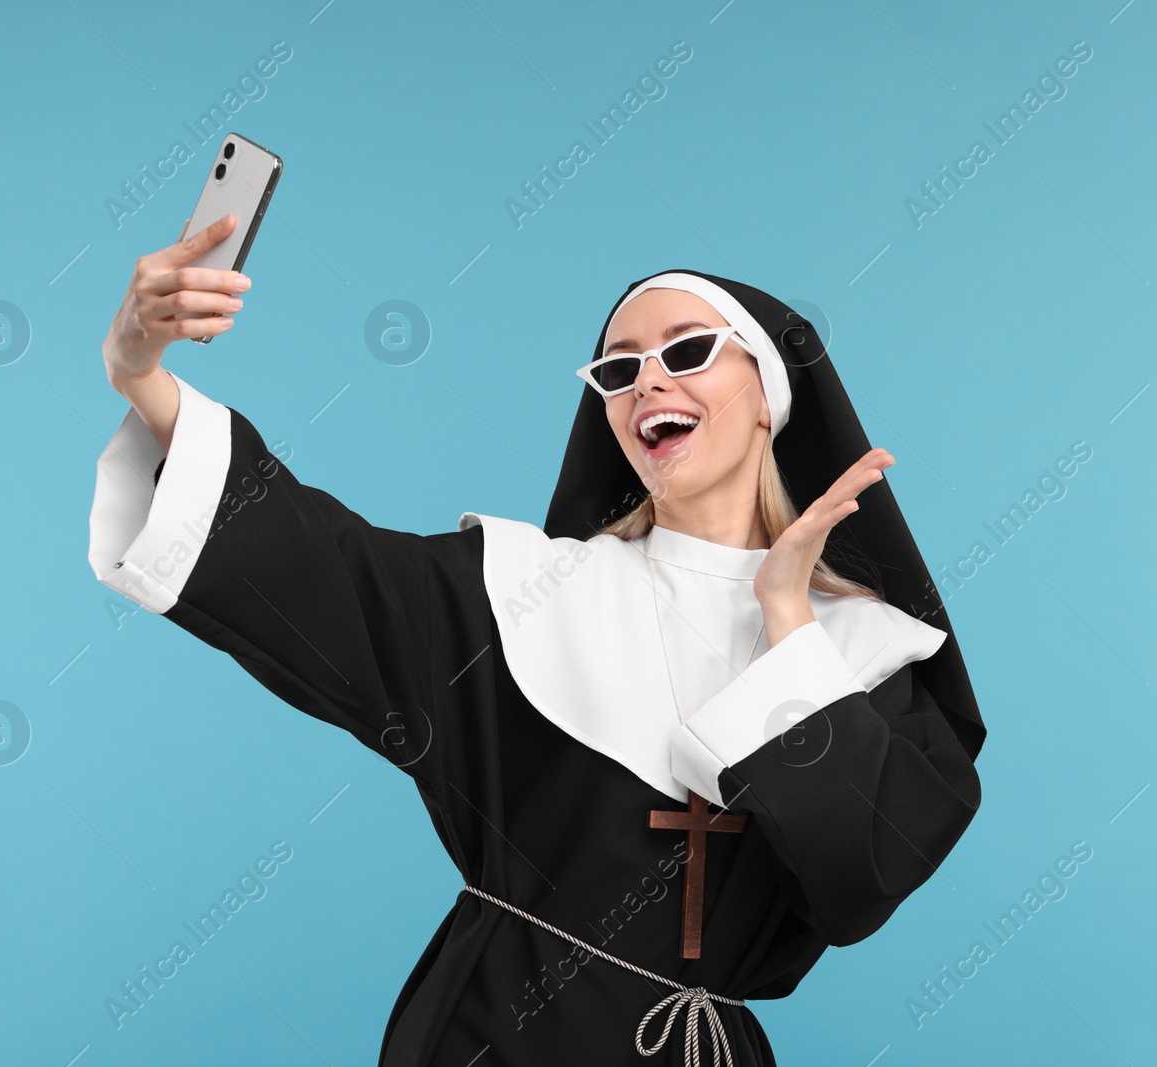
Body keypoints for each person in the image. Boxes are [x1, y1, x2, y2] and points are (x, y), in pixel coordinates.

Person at [88, 213, 986, 1066]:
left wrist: (788, 614)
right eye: (618, 370)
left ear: (768, 398)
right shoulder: (520, 594)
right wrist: (141, 375)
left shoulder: (864, 652)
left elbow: (866, 874)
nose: (649, 382)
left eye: (686, 352)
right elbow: (318, 561)